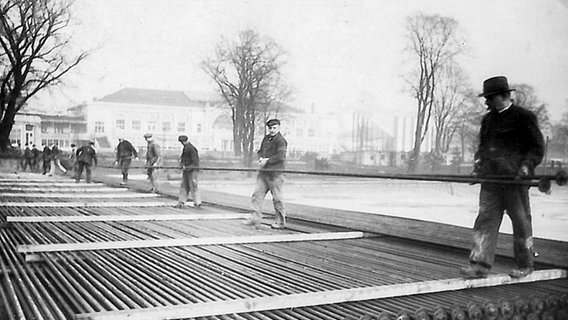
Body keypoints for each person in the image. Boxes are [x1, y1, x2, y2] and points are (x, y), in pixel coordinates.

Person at [460, 76, 544, 279]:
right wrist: (478, 167)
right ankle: (479, 265)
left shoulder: (524, 117)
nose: (486, 102)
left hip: (514, 181)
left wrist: (526, 166)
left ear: (504, 96)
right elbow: (482, 148)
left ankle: (525, 264)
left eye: (490, 97)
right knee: (485, 220)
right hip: (491, 180)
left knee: (521, 221)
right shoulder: (487, 120)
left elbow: (536, 148)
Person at [243, 118, 288, 229]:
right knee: (256, 196)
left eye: (274, 128)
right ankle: (254, 218)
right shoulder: (266, 138)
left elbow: (281, 156)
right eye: (270, 128)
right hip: (264, 174)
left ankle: (280, 222)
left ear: (278, 128)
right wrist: (260, 158)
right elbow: (260, 151)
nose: (272, 130)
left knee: (277, 199)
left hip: (275, 174)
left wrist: (267, 160)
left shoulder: (281, 141)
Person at [176, 135, 202, 208]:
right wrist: (182, 164)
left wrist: (187, 167)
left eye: (182, 142)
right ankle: (181, 201)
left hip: (193, 170)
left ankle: (197, 202)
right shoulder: (186, 148)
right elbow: (184, 159)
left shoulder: (191, 149)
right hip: (187, 170)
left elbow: (195, 162)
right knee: (184, 185)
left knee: (193, 186)